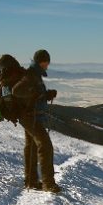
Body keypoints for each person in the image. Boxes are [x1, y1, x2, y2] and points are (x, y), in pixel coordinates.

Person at [13, 49, 61, 193]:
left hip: (31, 116)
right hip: (29, 117)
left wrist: (46, 95)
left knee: (32, 147)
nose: (47, 65)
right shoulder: (31, 75)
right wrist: (36, 93)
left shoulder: (35, 75)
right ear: (41, 61)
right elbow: (17, 91)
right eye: (46, 62)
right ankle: (48, 184)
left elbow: (35, 96)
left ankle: (31, 181)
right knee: (45, 146)